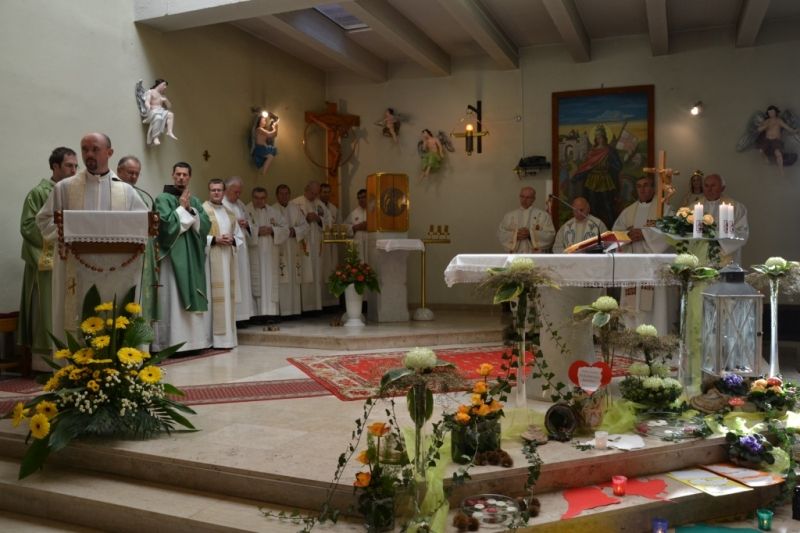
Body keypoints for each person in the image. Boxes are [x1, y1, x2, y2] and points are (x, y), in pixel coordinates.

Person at [36, 133, 149, 346]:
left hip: (117, 271)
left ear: (109, 152)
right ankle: (72, 362)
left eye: (95, 149)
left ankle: (118, 359)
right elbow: (43, 220)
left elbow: (143, 225)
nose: (89, 154)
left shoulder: (126, 191)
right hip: (74, 268)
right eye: (85, 149)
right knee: (74, 315)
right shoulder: (65, 188)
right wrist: (65, 232)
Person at [18, 147, 77, 371]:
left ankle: (69, 356)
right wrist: (56, 239)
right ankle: (44, 363)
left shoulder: (74, 193)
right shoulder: (39, 192)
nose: (74, 170)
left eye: (76, 166)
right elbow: (28, 225)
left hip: (71, 260)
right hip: (47, 260)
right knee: (47, 308)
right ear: (55, 167)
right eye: (69, 166)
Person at [151, 162, 212, 353]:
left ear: (189, 177)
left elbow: (205, 225)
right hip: (171, 258)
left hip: (191, 257)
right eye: (178, 174)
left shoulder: (195, 201)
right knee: (172, 297)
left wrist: (191, 210)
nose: (181, 178)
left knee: (191, 292)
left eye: (185, 175)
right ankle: (169, 343)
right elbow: (165, 227)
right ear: (172, 175)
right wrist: (182, 209)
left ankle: (194, 342)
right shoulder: (162, 198)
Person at [117, 155, 158, 323]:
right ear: (119, 171)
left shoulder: (141, 194)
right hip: (126, 251)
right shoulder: (114, 192)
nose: (134, 177)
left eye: (137, 173)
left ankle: (143, 331)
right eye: (130, 172)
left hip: (144, 249)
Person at [203, 179, 242, 348]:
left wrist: (233, 239)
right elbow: (196, 235)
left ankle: (227, 339)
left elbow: (239, 237)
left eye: (219, 190)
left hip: (227, 259)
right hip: (210, 262)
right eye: (213, 190)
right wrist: (214, 239)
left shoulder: (230, 213)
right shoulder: (203, 211)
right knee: (212, 298)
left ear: (224, 192)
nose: (216, 193)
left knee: (226, 297)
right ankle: (211, 339)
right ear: (209, 191)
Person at [246, 187, 289, 320]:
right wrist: (257, 231)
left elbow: (286, 229)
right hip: (254, 253)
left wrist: (273, 230)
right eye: (257, 198)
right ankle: (257, 315)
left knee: (271, 282)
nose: (260, 201)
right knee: (256, 281)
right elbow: (242, 229)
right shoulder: (246, 211)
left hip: (271, 254)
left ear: (266, 198)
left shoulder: (273, 212)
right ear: (252, 198)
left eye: (262, 198)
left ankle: (271, 313)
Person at [571, 124, 623, 228]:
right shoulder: (592, 152)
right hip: (592, 180)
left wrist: (610, 164)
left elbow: (618, 165)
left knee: (607, 204)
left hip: (605, 179)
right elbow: (586, 166)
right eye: (598, 137)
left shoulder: (609, 151)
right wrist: (578, 176)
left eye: (601, 136)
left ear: (605, 137)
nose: (599, 139)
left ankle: (612, 227)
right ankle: (592, 227)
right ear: (595, 138)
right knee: (592, 204)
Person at [273, 184, 309, 317]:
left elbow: (305, 226)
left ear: (289, 195)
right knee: (281, 278)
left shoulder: (295, 209)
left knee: (293, 278)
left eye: (286, 193)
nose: (284, 196)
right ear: (277, 195)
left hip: (294, 248)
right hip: (280, 249)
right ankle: (283, 312)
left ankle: (294, 311)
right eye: (281, 193)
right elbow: (272, 229)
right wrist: (284, 232)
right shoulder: (272, 210)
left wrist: (295, 231)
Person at [222, 176, 254, 324]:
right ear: (227, 190)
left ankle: (244, 315)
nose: (238, 195)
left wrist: (246, 224)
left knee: (243, 279)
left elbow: (250, 223)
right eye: (236, 192)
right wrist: (235, 223)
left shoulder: (240, 204)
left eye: (240, 192)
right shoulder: (221, 204)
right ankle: (235, 317)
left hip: (242, 248)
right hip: (230, 248)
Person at [291, 181, 327, 313]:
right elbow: (292, 223)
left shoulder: (320, 204)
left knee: (316, 272)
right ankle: (303, 307)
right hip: (302, 244)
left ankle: (316, 306)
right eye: (312, 193)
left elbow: (329, 221)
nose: (314, 196)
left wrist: (319, 220)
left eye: (316, 194)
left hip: (316, 244)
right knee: (304, 271)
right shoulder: (295, 203)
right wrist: (306, 218)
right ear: (306, 189)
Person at [701, 173, 749, 264]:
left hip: (727, 257)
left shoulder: (736, 208)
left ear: (722, 188)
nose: (709, 189)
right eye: (706, 186)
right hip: (701, 256)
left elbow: (742, 233)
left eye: (713, 186)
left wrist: (719, 240)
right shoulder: (694, 208)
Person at [612, 176, 667, 254]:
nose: (642, 189)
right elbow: (616, 231)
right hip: (632, 256)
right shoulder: (627, 211)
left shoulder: (664, 209)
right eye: (639, 186)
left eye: (645, 185)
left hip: (653, 256)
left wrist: (644, 234)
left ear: (653, 188)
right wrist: (627, 235)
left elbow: (670, 231)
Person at [497, 187, 555, 253]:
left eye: (528, 197)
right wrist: (515, 235)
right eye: (522, 196)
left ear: (533, 199)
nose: (524, 200)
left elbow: (550, 235)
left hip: (535, 254)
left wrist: (531, 234)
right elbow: (501, 234)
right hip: (515, 254)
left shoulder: (543, 215)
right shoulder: (509, 216)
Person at [758, 105, 799, 175]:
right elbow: (759, 129)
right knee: (761, 151)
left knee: (778, 153)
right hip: (767, 140)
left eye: (772, 112)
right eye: (769, 112)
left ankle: (781, 170)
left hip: (776, 140)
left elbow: (788, 128)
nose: (771, 113)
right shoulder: (767, 121)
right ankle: (765, 159)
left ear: (775, 112)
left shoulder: (779, 120)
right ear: (768, 113)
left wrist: (795, 130)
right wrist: (765, 126)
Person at [318, 183, 339, 307]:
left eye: (328, 192)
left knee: (332, 269)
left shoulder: (334, 208)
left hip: (332, 243)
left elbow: (339, 224)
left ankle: (333, 302)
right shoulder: (317, 206)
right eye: (324, 192)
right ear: (319, 193)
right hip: (321, 242)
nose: (326, 194)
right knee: (322, 270)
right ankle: (322, 302)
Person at [143, 79, 177, 146]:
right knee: (158, 118)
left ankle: (169, 131)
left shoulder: (162, 95)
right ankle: (155, 137)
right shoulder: (151, 92)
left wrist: (166, 100)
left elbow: (169, 106)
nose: (165, 87)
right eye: (164, 85)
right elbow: (147, 101)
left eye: (165, 86)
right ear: (160, 84)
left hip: (161, 111)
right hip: (153, 111)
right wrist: (148, 107)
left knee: (171, 114)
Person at [344, 188, 368, 261]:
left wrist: (368, 226)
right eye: (359, 198)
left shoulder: (374, 211)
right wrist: (355, 227)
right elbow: (344, 227)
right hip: (358, 245)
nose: (361, 200)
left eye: (363, 197)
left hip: (370, 244)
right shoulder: (354, 213)